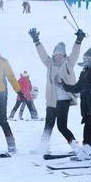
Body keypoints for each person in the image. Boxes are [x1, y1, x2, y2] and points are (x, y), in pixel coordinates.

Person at [28, 27, 85, 155]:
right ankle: (43, 147)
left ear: (64, 55)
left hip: (64, 100)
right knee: (48, 125)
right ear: (53, 54)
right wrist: (36, 41)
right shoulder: (49, 63)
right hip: (51, 100)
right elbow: (42, 54)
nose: (58, 56)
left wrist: (78, 40)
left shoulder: (69, 63)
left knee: (61, 126)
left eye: (60, 54)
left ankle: (75, 146)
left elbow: (75, 52)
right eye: (56, 54)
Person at [61, 46, 91, 160]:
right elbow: (78, 88)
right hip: (87, 107)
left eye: (86, 58)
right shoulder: (84, 72)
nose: (84, 60)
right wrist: (65, 87)